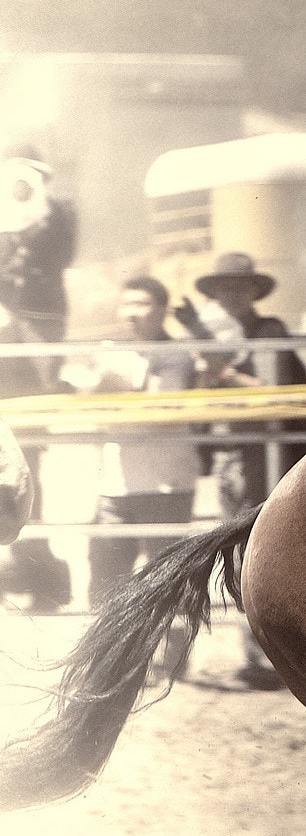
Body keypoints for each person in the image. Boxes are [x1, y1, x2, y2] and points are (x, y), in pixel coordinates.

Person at [177, 251, 306, 688]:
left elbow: (270, 390)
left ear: (254, 292)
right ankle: (257, 650)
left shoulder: (269, 331)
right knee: (238, 551)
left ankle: (271, 653)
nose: (231, 294)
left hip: (270, 450)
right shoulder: (217, 333)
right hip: (233, 450)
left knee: (268, 548)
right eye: (224, 288)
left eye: (240, 286)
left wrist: (218, 367)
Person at [66, 278, 200, 609]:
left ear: (162, 311)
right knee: (104, 581)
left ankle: (171, 661)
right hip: (115, 486)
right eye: (127, 304)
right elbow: (86, 400)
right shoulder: (111, 352)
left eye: (141, 304)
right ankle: (110, 660)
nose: (132, 313)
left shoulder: (177, 355)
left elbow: (161, 408)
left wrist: (110, 389)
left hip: (165, 484)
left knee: (166, 583)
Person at [0, 154, 76, 611]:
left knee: (28, 464)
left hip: (33, 343)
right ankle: (31, 564)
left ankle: (37, 566)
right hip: (7, 345)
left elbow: (59, 248)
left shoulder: (56, 216)